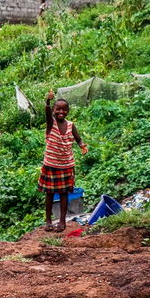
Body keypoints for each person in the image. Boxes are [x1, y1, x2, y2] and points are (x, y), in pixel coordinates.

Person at [39, 90, 87, 232]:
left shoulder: (71, 125)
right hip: (51, 165)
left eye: (64, 109)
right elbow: (47, 113)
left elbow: (78, 138)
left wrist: (82, 145)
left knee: (64, 193)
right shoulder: (51, 124)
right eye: (57, 109)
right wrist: (47, 102)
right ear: (53, 110)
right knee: (49, 193)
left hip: (66, 164)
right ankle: (48, 220)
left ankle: (62, 221)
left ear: (68, 111)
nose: (61, 111)